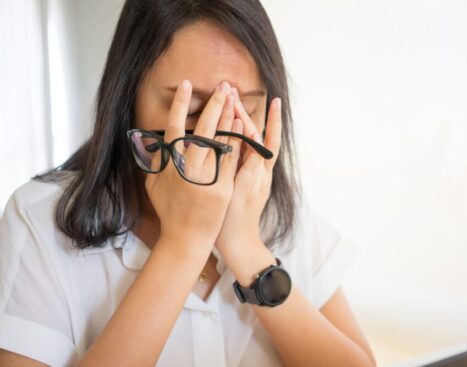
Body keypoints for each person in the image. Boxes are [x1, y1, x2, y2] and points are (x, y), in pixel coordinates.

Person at [0, 1, 376, 366]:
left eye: (244, 110)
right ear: (128, 98)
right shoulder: (39, 220)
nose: (221, 137)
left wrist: (247, 251)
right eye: (194, 110)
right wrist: (184, 244)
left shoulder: (278, 208)